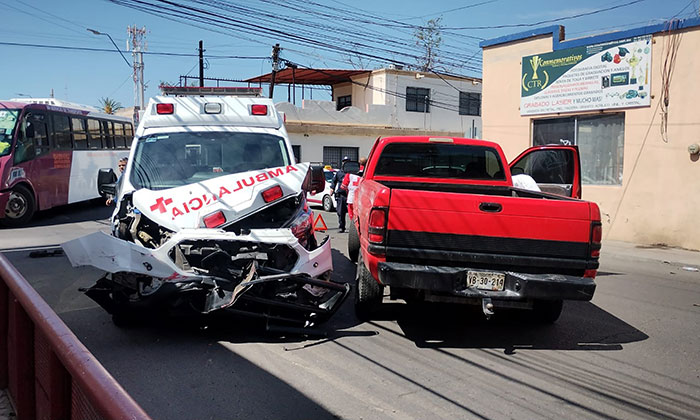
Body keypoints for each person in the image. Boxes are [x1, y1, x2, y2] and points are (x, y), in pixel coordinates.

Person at [330, 156, 350, 232]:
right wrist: (332, 188)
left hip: (350, 195)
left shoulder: (353, 172)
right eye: (344, 161)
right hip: (341, 195)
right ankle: (342, 227)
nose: (345, 163)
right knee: (340, 212)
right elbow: (334, 181)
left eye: (347, 161)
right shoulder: (339, 172)